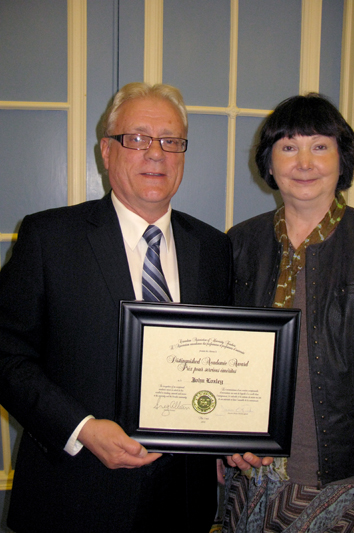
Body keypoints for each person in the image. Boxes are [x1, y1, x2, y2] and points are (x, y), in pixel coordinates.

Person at [0, 82, 232, 532]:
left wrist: (226, 437)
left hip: (183, 500)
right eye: (138, 138)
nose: (156, 153)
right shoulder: (49, 238)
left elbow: (217, 359)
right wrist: (82, 427)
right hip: (74, 495)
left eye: (171, 141)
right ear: (106, 152)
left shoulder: (213, 247)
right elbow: (6, 353)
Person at [220, 93, 354, 533]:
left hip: (346, 481)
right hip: (252, 475)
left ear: (343, 158)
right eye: (288, 147)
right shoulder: (240, 243)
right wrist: (221, 441)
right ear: (269, 162)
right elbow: (222, 358)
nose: (304, 162)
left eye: (320, 146)